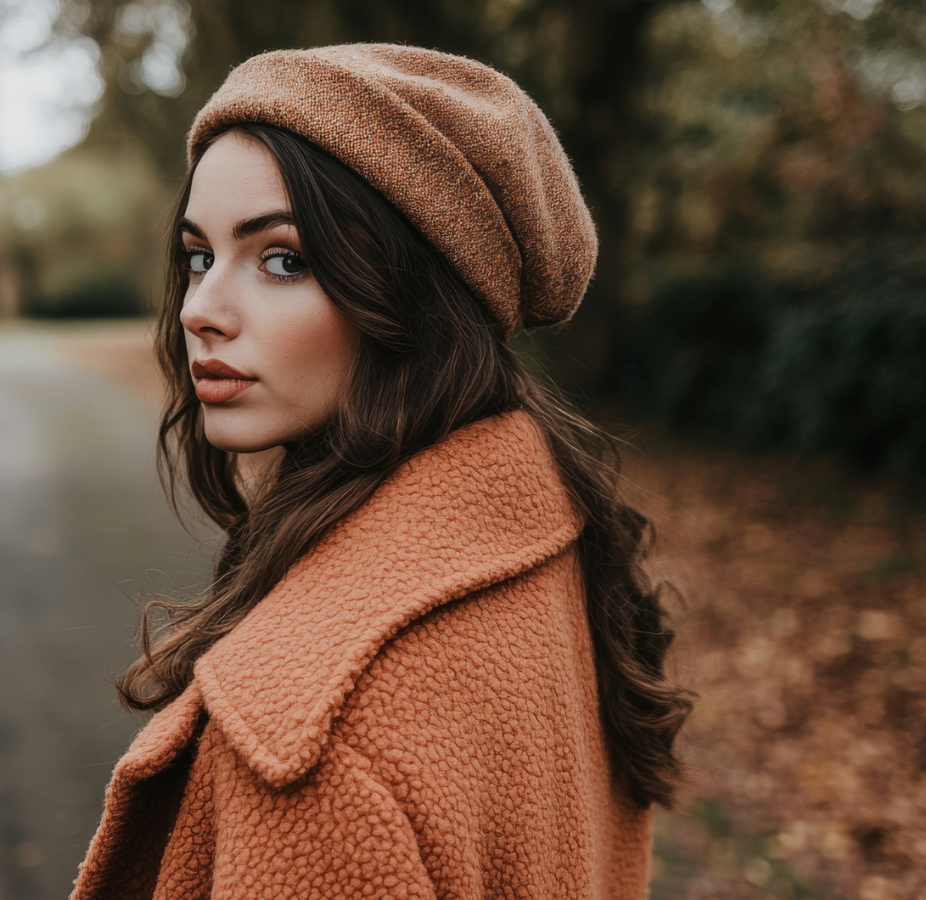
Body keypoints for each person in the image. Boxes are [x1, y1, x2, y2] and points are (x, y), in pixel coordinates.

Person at [71, 44, 692, 900]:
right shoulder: (547, 537)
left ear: (410, 294)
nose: (199, 311)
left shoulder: (315, 741)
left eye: (281, 259)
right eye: (199, 256)